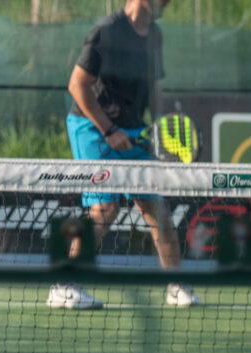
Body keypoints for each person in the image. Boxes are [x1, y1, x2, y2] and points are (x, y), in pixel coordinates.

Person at [47, 0, 200, 309]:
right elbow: (77, 86)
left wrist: (158, 129)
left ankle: (175, 285)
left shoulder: (155, 35)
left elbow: (154, 86)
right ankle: (63, 285)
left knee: (155, 205)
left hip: (132, 128)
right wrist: (107, 130)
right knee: (105, 208)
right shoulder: (106, 32)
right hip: (90, 125)